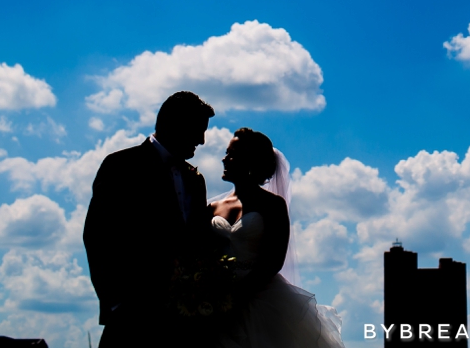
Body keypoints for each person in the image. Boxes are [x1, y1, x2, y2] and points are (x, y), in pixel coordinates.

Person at [83, 91, 216, 347]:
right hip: (131, 319)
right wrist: (117, 302)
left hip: (183, 322)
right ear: (173, 125)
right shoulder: (120, 165)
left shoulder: (195, 180)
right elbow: (97, 236)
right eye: (197, 130)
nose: (201, 140)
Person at [209, 128, 343, 348]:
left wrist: (237, 296)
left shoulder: (272, 205)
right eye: (226, 152)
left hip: (260, 298)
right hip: (216, 299)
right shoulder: (211, 207)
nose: (225, 159)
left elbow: (274, 261)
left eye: (232, 154)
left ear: (250, 160)